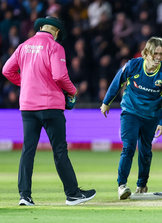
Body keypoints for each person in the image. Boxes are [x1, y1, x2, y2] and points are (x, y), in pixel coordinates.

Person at [2, 16, 96, 206]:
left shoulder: (23, 45)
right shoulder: (55, 47)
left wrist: (27, 83)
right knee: (59, 150)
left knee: (27, 150)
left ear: (41, 28)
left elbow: (6, 70)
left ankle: (24, 196)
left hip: (28, 106)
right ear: (57, 31)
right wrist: (72, 90)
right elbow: (60, 75)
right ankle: (72, 194)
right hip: (50, 106)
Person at [100, 37, 162, 200]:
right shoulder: (133, 65)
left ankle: (142, 184)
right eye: (155, 53)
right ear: (146, 53)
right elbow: (117, 81)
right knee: (128, 147)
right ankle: (122, 185)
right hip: (130, 112)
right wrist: (106, 101)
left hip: (151, 117)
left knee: (145, 152)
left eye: (161, 54)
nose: (158, 58)